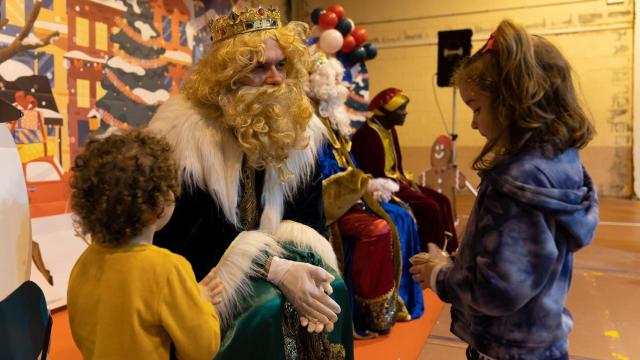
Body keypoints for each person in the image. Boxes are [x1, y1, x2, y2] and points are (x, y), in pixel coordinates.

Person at [147, 7, 353, 359]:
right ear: (227, 76)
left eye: (281, 65)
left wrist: (302, 267)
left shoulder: (301, 129)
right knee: (265, 309)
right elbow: (183, 238)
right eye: (260, 67)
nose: (275, 78)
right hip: (206, 280)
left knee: (331, 290)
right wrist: (272, 267)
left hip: (278, 258)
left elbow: (309, 220)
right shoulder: (185, 135)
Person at [409, 19, 599, 360]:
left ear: (514, 101)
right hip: (541, 339)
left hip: (505, 348)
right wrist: (469, 248)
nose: (473, 122)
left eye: (477, 107)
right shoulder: (563, 163)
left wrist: (440, 274)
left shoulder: (513, 183)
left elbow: (498, 289)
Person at [67, 129, 222, 360]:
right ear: (158, 203)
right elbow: (202, 350)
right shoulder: (168, 269)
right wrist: (201, 302)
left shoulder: (84, 263)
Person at [308, 52, 424, 337]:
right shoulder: (312, 127)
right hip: (327, 209)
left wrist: (370, 184)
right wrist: (365, 184)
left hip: (351, 200)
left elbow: (351, 165)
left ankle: (400, 299)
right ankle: (368, 311)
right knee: (380, 228)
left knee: (404, 215)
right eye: (335, 81)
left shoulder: (333, 123)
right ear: (319, 87)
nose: (342, 88)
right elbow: (323, 178)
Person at [351, 88, 459, 253]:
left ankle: (449, 250)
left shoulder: (389, 129)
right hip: (384, 187)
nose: (405, 113)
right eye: (401, 109)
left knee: (442, 200)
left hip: (398, 181)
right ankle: (429, 253)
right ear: (386, 112)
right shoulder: (366, 135)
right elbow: (372, 176)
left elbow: (396, 167)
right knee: (430, 207)